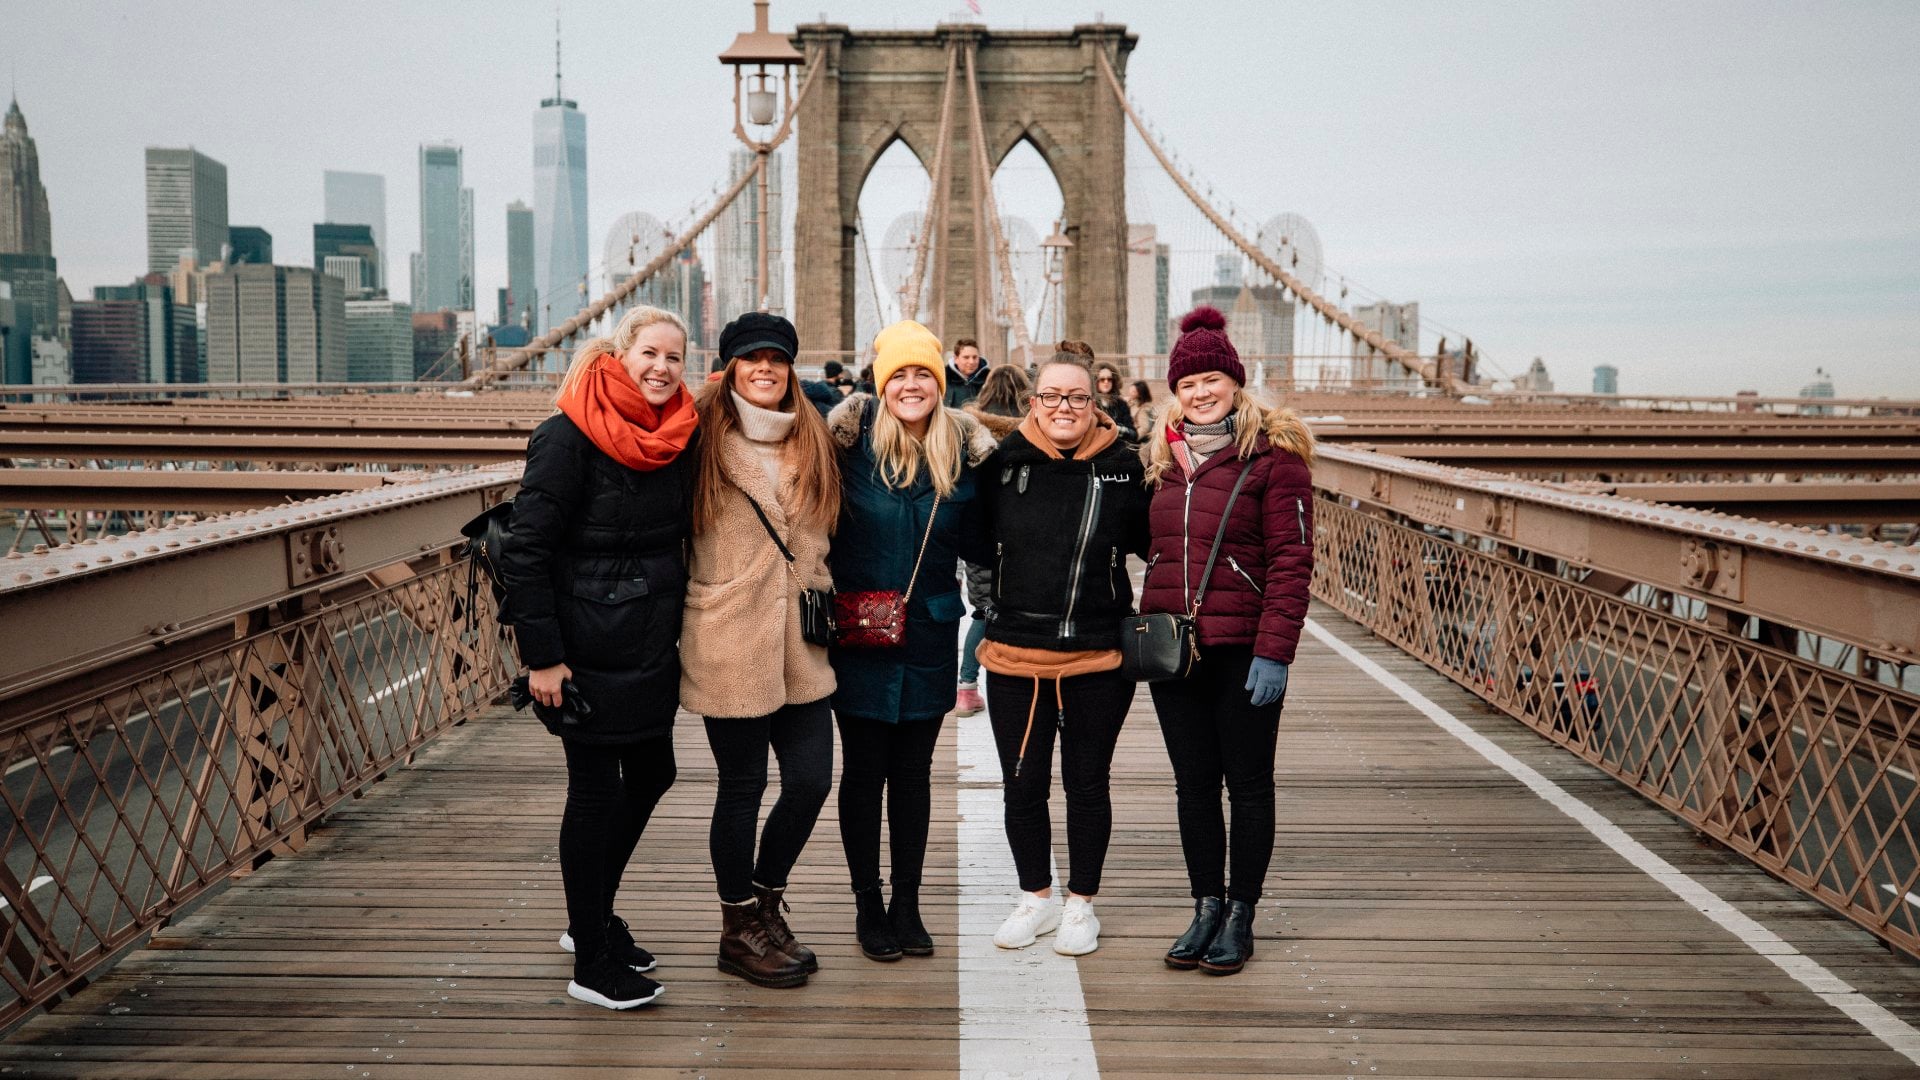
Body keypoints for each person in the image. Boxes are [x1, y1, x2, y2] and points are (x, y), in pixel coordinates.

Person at [496, 305, 699, 1011]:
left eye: (675, 357)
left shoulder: (678, 436)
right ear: (618, 355)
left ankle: (594, 913)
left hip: (648, 643)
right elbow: (525, 553)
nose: (661, 368)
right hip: (581, 650)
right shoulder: (566, 434)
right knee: (596, 791)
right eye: (649, 352)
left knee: (655, 770)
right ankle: (592, 956)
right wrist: (542, 658)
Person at [1140, 305, 1315, 977]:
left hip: (1244, 650)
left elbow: (1293, 563)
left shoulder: (1277, 463)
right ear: (1175, 393)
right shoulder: (1162, 463)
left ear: (1236, 383)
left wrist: (1276, 651)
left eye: (1213, 378)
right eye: (1188, 383)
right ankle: (1205, 905)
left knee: (1246, 784)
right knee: (1192, 786)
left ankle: (1242, 913)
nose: (1201, 391)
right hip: (1173, 652)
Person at [680, 311, 843, 990]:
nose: (766, 369)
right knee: (742, 787)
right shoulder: (697, 440)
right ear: (731, 369)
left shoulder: (819, 441)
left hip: (803, 641)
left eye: (777, 358)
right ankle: (738, 926)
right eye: (752, 359)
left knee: (810, 780)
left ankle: (768, 899)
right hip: (729, 635)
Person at [826, 320, 995, 961]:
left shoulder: (968, 456)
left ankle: (908, 904)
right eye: (899, 374)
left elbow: (988, 543)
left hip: (928, 630)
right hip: (858, 630)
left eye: (923, 372)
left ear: (942, 381)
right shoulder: (846, 449)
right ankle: (869, 905)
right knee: (865, 774)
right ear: (881, 383)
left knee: (915, 776)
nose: (912, 384)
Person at [979, 352, 1149, 957]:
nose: (1063, 408)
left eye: (1076, 397)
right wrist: (984, 612)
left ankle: (1082, 905)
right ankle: (1036, 898)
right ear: (1032, 403)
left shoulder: (1127, 470)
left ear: (1094, 403)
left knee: (1087, 784)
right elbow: (972, 544)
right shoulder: (1001, 466)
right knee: (1021, 786)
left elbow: (1160, 544)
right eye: (1050, 396)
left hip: (1097, 658)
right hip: (1016, 657)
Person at [954, 364, 1030, 717]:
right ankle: (1019, 685)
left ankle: (967, 688)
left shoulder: (969, 431)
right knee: (1020, 612)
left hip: (980, 540)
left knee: (983, 613)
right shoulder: (1034, 433)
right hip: (1021, 540)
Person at [1092, 362, 1139, 444]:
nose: (1106, 382)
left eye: (1109, 379)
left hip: (1118, 449)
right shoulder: (1090, 404)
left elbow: (1133, 434)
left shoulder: (1121, 404)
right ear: (1095, 381)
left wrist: (1115, 429)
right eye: (1102, 379)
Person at [943, 337, 987, 408]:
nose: (971, 362)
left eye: (975, 357)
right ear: (956, 359)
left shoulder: (990, 380)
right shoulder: (942, 379)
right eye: (966, 357)